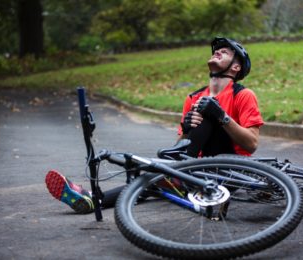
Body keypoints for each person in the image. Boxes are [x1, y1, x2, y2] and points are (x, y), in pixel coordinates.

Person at [45, 37, 263, 214]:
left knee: (157, 175)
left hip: (232, 169)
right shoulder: (194, 97)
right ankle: (93, 200)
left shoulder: (242, 95)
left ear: (236, 66)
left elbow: (251, 144)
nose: (217, 52)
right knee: (153, 179)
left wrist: (222, 116)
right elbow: (180, 146)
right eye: (216, 50)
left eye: (225, 51)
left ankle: (99, 198)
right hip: (198, 169)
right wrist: (186, 130)